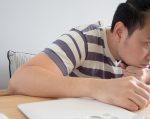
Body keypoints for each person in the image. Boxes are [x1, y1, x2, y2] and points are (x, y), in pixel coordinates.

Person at [8, 0, 150, 111]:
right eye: (148, 43)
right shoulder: (84, 40)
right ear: (120, 32)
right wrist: (100, 88)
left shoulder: (139, 56)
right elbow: (20, 79)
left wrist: (145, 76)